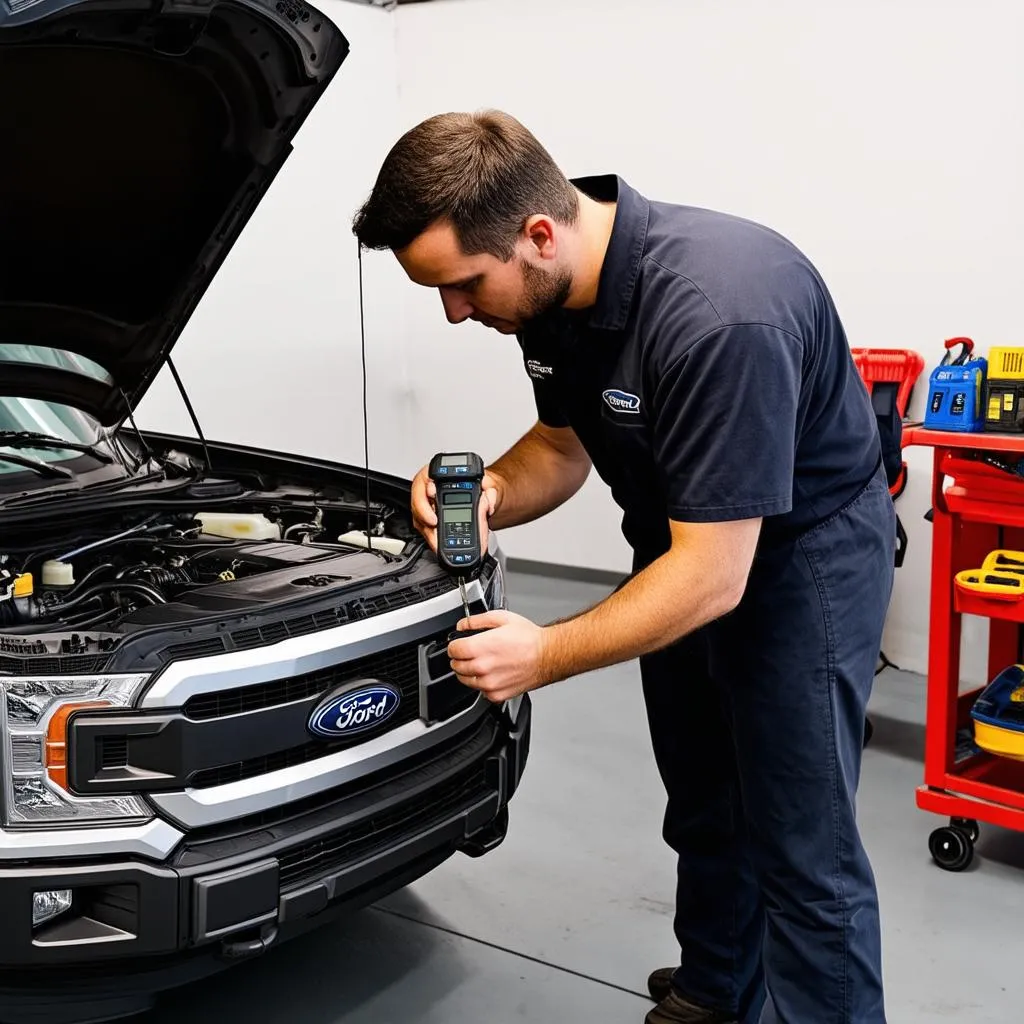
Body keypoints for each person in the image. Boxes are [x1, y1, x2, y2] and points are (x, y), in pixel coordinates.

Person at [352, 109, 894, 1024]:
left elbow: (718, 577)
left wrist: (545, 653)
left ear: (536, 234)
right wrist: (489, 489)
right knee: (706, 800)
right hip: (680, 543)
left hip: (803, 562)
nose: (453, 312)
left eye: (462, 286)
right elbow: (560, 450)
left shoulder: (721, 313)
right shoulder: (553, 293)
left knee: (805, 847)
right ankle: (720, 989)